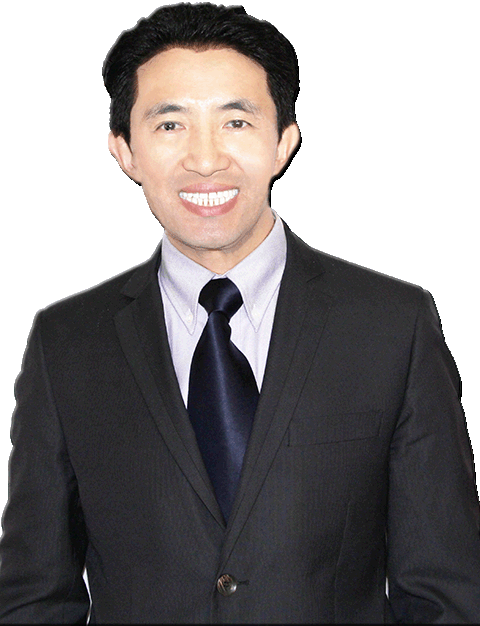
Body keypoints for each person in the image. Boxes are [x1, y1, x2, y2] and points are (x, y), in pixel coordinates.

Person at [1, 3, 479, 623]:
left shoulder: (393, 324)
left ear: (283, 142)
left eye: (235, 121)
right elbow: (34, 596)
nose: (205, 159)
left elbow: (444, 593)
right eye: (170, 124)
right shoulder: (65, 340)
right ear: (125, 151)